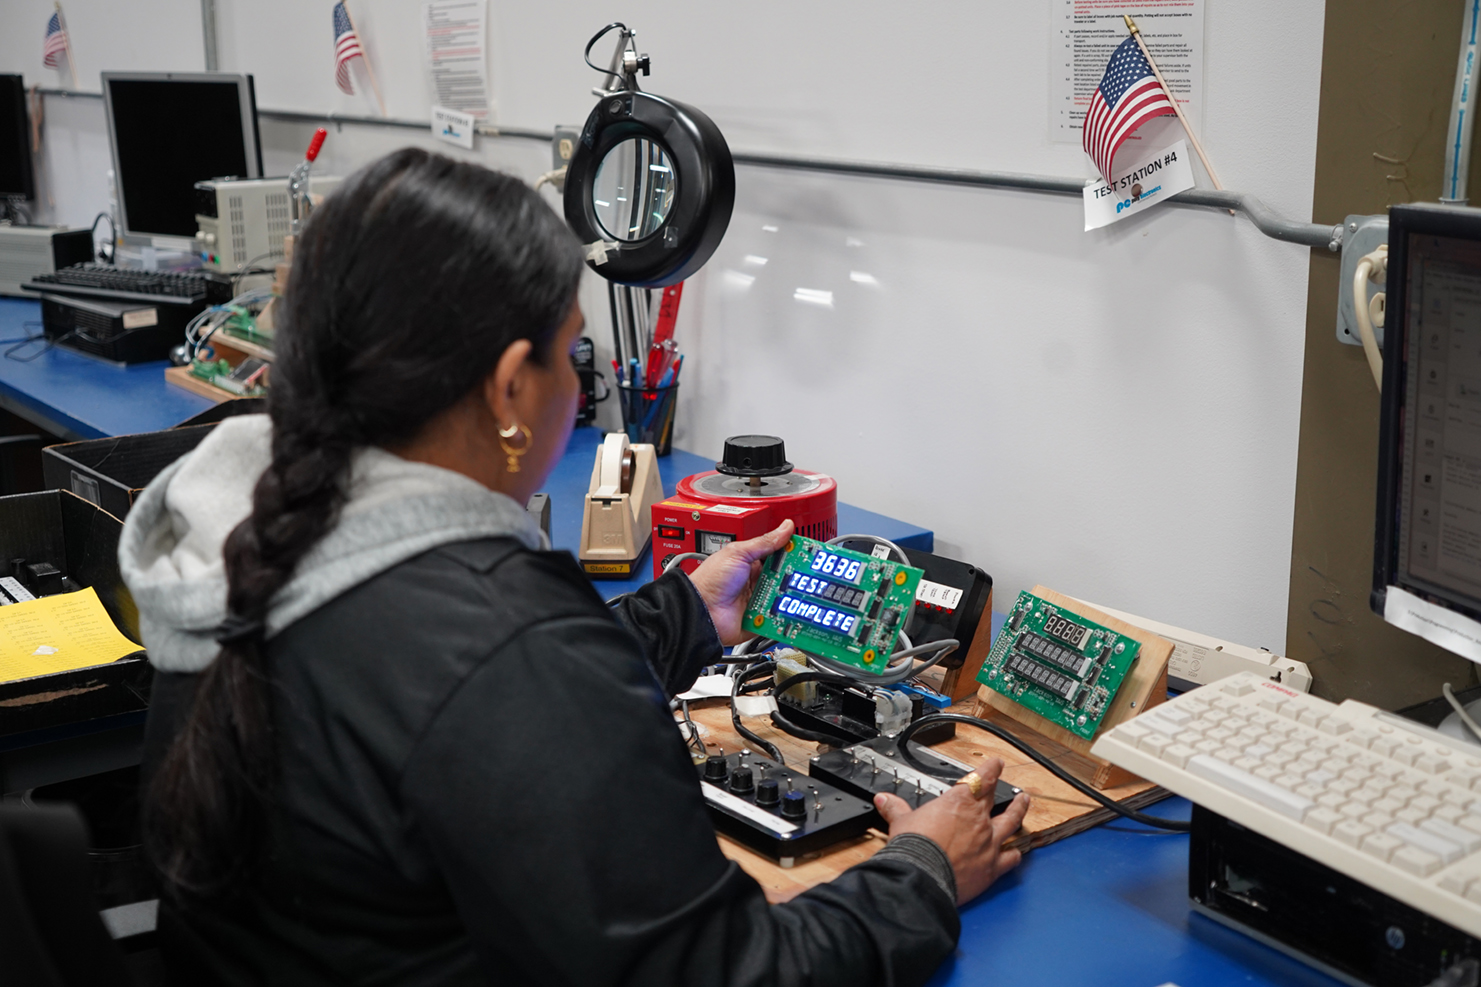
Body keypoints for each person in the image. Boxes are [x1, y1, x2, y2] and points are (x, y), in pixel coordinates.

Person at [120, 147, 1029, 986]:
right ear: (511, 385)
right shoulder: (508, 648)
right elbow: (729, 974)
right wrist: (921, 872)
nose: (572, 387)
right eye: (568, 354)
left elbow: (433, 691)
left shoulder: (247, 533)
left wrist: (679, 617)